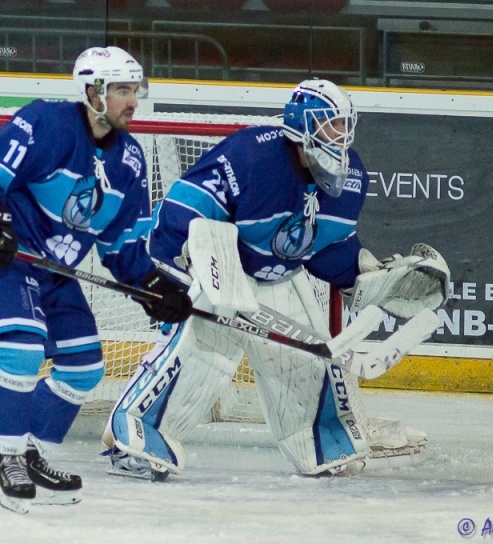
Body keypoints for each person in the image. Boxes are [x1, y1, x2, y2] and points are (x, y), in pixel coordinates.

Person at [102, 79, 447, 480]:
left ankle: (319, 444)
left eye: (343, 124)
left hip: (283, 279)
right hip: (224, 273)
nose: (339, 135)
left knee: (303, 363)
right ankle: (134, 440)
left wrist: (364, 272)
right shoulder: (251, 155)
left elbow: (324, 247)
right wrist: (171, 272)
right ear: (301, 124)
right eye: (329, 124)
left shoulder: (353, 177)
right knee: (201, 359)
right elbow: (184, 206)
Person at [0, 46, 192, 513]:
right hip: (4, 255)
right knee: (22, 347)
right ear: (92, 92)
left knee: (84, 366)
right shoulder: (47, 122)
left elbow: (123, 247)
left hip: (53, 271)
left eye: (133, 90)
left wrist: (155, 287)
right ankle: (8, 458)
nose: (132, 101)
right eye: (121, 90)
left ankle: (34, 454)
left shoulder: (130, 159)